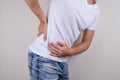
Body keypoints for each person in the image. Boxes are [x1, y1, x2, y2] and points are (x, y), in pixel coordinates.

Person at [25, 0, 100, 80]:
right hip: (43, 57)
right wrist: (42, 20)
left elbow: (86, 42)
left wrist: (70, 51)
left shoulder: (95, 11)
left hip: (62, 63)